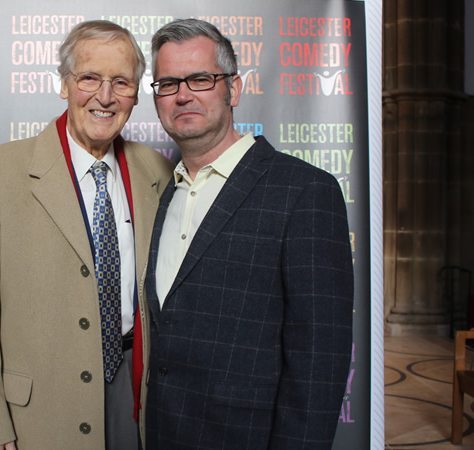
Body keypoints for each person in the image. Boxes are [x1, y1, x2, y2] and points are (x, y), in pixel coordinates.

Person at [0, 20, 173, 450]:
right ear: (64, 84)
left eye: (121, 82)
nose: (104, 97)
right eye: (89, 78)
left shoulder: (159, 173)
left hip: (137, 396)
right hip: (39, 412)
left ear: (136, 93)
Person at [143, 19, 354, 449]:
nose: (182, 94)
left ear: (233, 90)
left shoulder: (305, 191)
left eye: (200, 79)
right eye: (167, 84)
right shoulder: (165, 193)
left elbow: (320, 362)